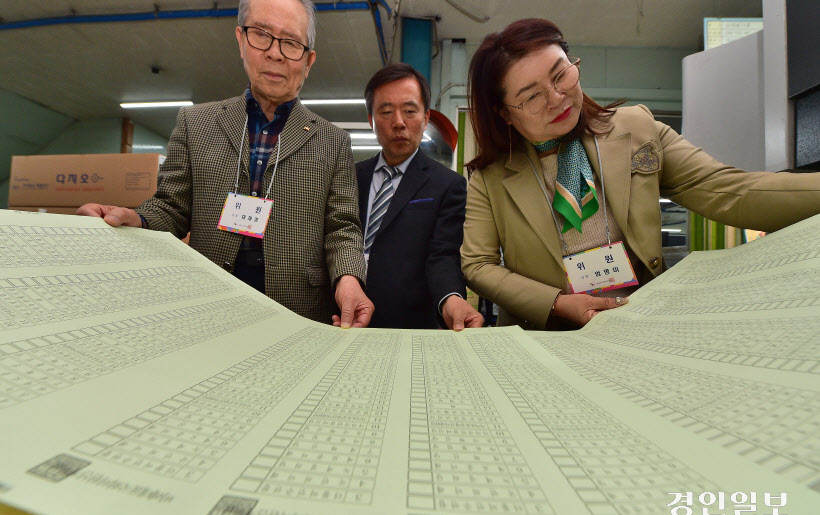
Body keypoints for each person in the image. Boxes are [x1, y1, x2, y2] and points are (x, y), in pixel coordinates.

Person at [462, 18, 820, 331]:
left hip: (642, 325)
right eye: (532, 96)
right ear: (506, 114)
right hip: (548, 335)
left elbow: (731, 191)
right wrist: (555, 303)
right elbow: (479, 265)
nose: (557, 97)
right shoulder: (490, 177)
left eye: (561, 74)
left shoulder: (637, 129)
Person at [77, 0, 373, 328]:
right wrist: (136, 218)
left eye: (291, 43)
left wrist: (349, 280)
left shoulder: (334, 141)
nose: (275, 53)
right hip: (209, 302)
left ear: (309, 59)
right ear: (241, 39)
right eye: (262, 34)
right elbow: (171, 209)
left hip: (299, 309)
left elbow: (342, 227)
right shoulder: (196, 122)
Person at [357, 64, 483, 330]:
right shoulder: (351, 176)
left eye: (410, 111)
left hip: (409, 324)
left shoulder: (447, 184)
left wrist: (451, 297)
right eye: (386, 111)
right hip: (345, 316)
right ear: (371, 119)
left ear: (425, 118)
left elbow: (444, 255)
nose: (399, 122)